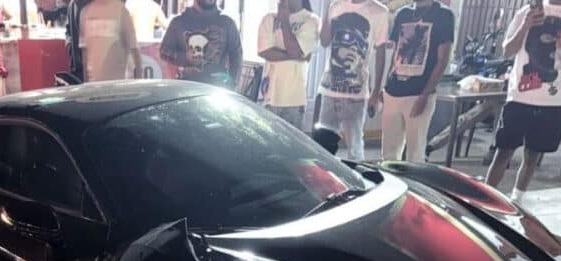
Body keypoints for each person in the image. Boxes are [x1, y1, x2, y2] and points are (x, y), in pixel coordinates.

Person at [485, 0, 561, 204]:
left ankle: (517, 201)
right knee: (503, 152)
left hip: (554, 100)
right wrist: (525, 25)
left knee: (533, 156)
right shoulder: (526, 12)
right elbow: (507, 50)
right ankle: (484, 201)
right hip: (520, 97)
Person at [382, 0, 454, 162]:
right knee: (388, 153)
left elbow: (443, 59)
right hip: (393, 90)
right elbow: (396, 52)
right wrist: (386, 85)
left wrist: (424, 95)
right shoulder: (403, 13)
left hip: (419, 92)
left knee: (415, 153)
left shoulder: (443, 15)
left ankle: (413, 179)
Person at [317, 0, 389, 160]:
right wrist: (326, 8)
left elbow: (381, 52)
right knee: (323, 146)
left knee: (354, 147)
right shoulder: (336, 6)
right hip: (329, 89)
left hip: (356, 92)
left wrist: (376, 91)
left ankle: (356, 174)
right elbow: (324, 41)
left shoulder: (379, 11)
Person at [258, 0, 320, 131]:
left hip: (294, 100)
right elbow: (265, 52)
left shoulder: (311, 20)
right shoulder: (269, 18)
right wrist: (297, 56)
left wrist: (285, 21)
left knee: (291, 143)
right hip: (269, 97)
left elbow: (295, 50)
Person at [160, 0, 243, 87]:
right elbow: (164, 51)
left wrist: (232, 84)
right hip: (186, 87)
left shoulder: (227, 23)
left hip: (216, 88)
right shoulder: (178, 22)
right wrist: (185, 57)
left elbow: (237, 55)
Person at [79, 0, 142, 81]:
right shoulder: (85, 13)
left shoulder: (121, 11)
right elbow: (85, 53)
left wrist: (139, 79)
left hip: (117, 82)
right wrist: (86, 83)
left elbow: (134, 50)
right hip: (95, 84)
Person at [66, 0, 93, 80]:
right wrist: (70, 47)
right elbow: (68, 30)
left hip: (90, 67)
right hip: (78, 65)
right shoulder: (72, 5)